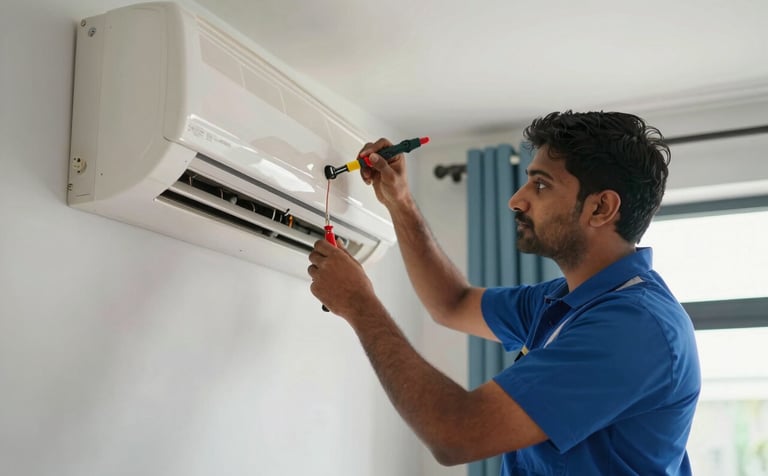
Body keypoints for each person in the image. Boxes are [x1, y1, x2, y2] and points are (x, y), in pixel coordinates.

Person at [307, 111, 701, 475]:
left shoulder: (632, 327)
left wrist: (359, 303)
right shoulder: (564, 301)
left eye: (541, 184)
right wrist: (400, 201)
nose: (516, 200)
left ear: (601, 208)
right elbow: (452, 303)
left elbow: (456, 433)